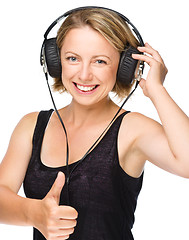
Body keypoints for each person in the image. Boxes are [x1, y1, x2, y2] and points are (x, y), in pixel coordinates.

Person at [0, 6, 189, 240]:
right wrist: (34, 214)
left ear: (124, 68)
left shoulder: (132, 130)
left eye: (100, 61)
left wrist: (157, 90)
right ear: (54, 61)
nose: (84, 75)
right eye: (73, 59)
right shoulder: (32, 126)